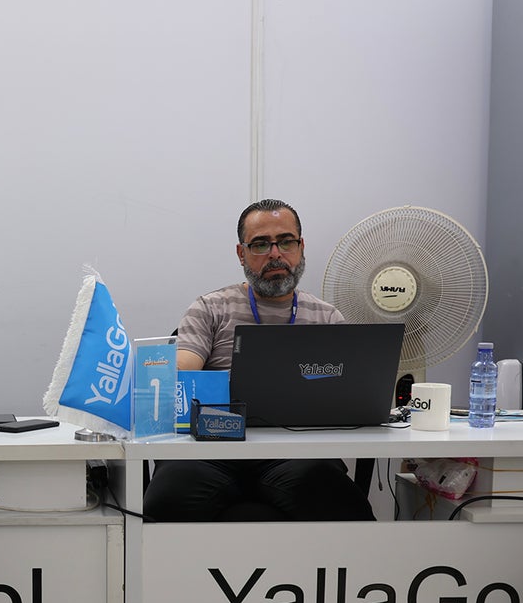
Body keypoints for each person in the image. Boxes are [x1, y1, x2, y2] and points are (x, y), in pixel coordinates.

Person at [143, 199, 376, 525]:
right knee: (170, 497)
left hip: (295, 453)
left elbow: (349, 393)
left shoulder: (326, 316)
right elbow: (183, 367)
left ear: (301, 247)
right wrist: (159, 371)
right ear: (242, 253)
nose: (275, 253)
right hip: (213, 448)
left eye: (286, 241)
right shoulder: (210, 308)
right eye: (261, 244)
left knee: (340, 500)